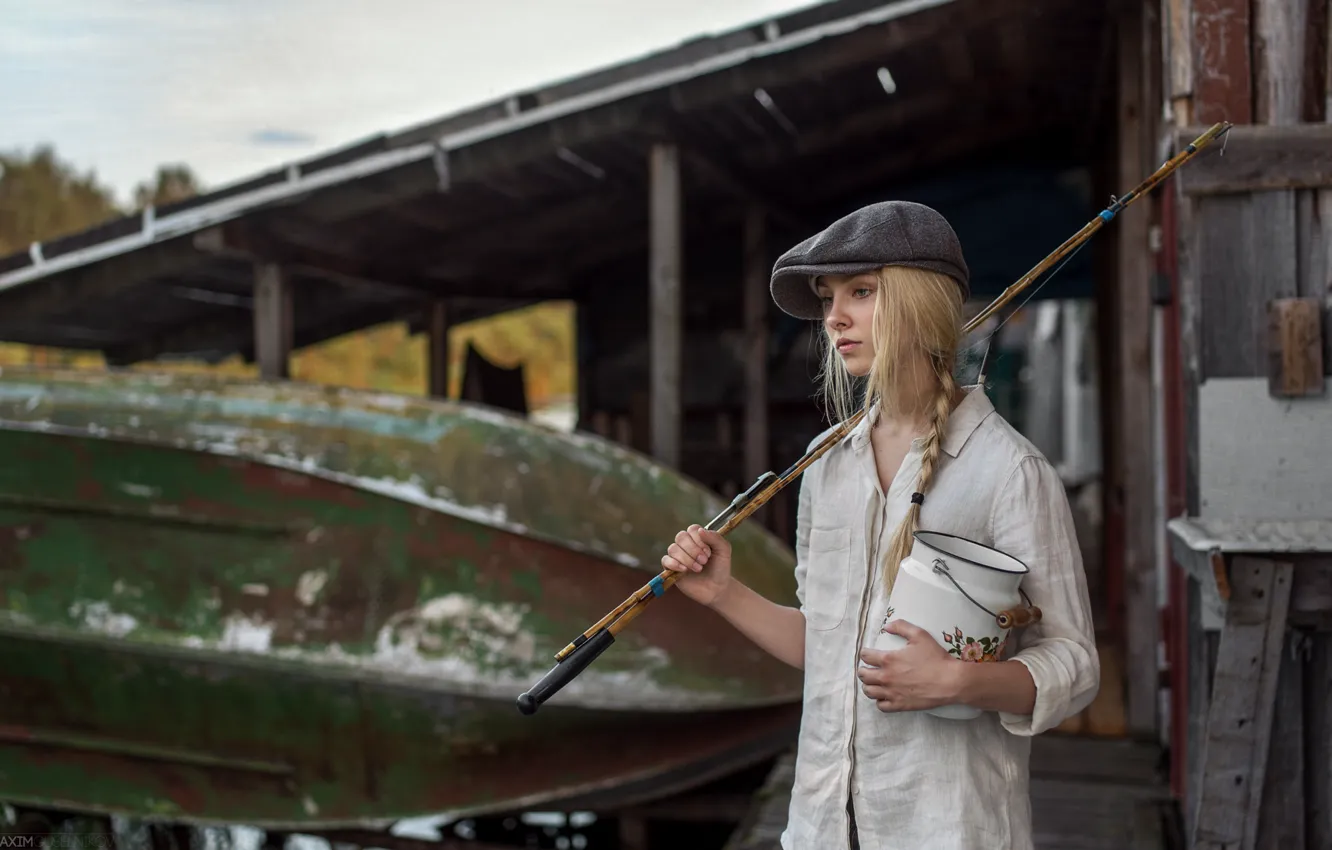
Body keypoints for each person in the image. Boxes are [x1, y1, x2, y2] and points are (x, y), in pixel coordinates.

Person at [659, 201, 1100, 850]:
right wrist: (725, 594)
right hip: (822, 827)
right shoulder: (827, 469)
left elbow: (1075, 664)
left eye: (861, 291)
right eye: (828, 297)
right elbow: (831, 649)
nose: (834, 317)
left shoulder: (1010, 471)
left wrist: (958, 680)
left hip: (949, 828)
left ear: (921, 301)